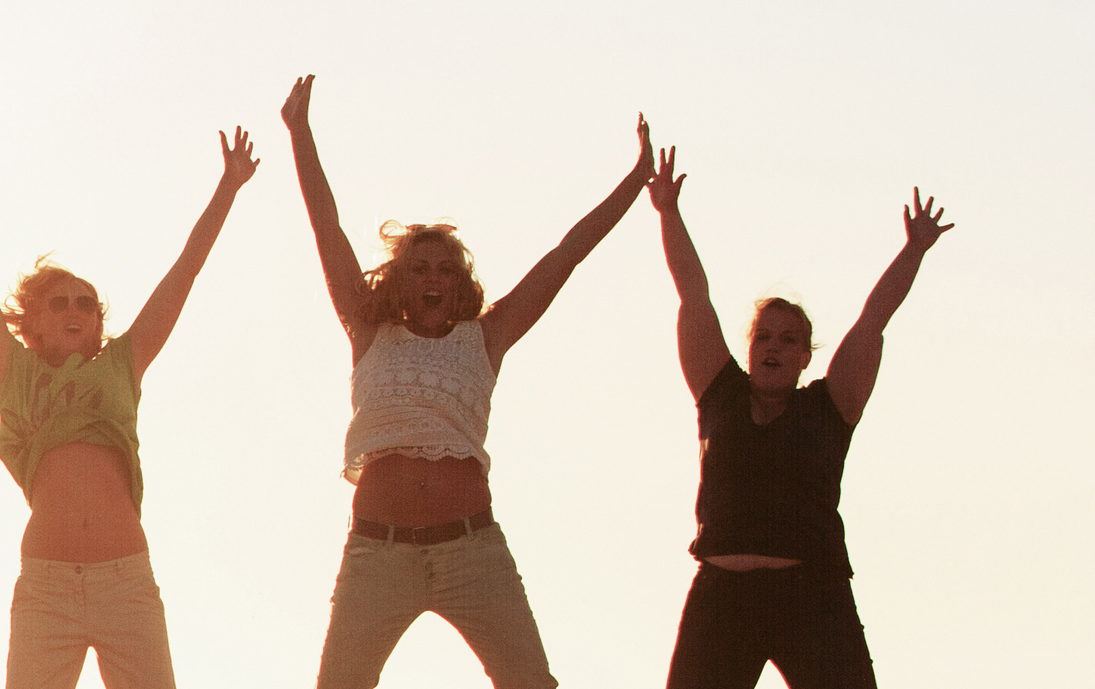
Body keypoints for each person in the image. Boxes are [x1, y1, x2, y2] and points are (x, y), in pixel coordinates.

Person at [278, 75, 654, 689]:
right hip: (378, 553)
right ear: (400, 281)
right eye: (419, 267)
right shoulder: (368, 333)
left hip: (472, 552)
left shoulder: (486, 337)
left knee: (531, 682)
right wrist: (301, 134)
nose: (433, 277)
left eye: (445, 269)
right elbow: (328, 228)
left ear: (459, 284)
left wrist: (636, 180)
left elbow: (567, 253)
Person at [0, 120, 256, 689]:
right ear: (30, 325)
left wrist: (227, 188)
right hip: (47, 588)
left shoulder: (120, 366)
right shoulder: (17, 373)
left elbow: (185, 272)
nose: (75, 309)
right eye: (58, 304)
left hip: (126, 582)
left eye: (86, 302)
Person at [648, 156, 953, 689]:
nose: (774, 347)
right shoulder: (719, 395)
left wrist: (914, 249)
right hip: (723, 596)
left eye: (789, 340)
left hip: (812, 596)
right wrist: (668, 212)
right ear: (749, 348)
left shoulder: (827, 409)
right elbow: (693, 296)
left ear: (805, 356)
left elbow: (873, 322)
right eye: (764, 336)